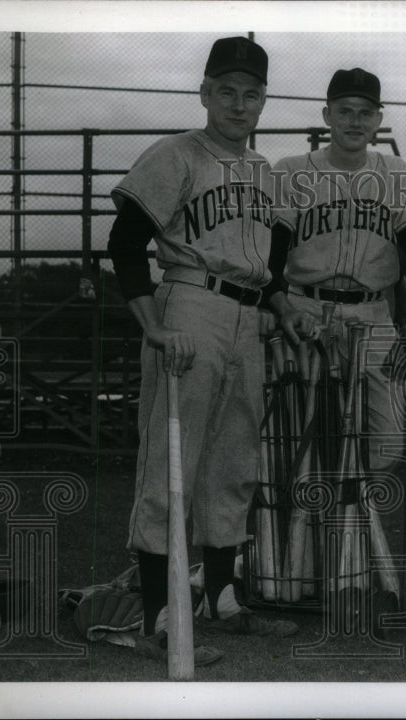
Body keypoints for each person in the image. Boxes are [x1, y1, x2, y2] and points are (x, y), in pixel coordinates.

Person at [107, 36, 298, 666]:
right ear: (205, 94)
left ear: (263, 101)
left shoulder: (265, 172)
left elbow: (267, 267)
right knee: (173, 459)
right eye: (227, 92)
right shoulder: (175, 154)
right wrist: (153, 327)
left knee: (234, 459)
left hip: (248, 317)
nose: (239, 105)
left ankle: (220, 599)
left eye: (252, 94)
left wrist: (286, 307)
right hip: (188, 306)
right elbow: (126, 243)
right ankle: (159, 615)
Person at [266, 67, 406, 471]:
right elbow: (273, 251)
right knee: (304, 438)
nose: (355, 121)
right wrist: (277, 306)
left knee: (390, 441)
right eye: (345, 111)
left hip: (373, 314)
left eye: (365, 112)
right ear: (327, 115)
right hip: (307, 310)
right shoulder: (291, 170)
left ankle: (357, 519)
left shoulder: (394, 172)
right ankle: (315, 525)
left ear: (378, 120)